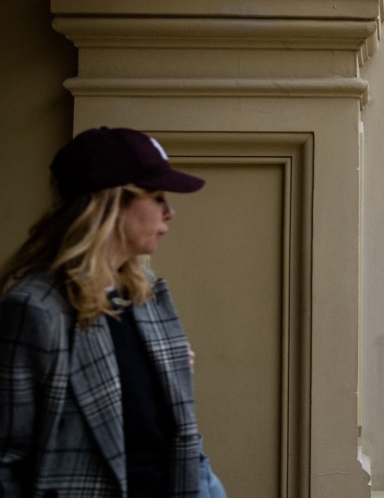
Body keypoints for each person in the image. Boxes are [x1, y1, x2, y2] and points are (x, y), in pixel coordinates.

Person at [0, 127, 226, 497]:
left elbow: (178, 435)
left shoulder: (149, 295)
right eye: (156, 197)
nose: (170, 212)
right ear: (111, 203)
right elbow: (8, 461)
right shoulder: (34, 309)